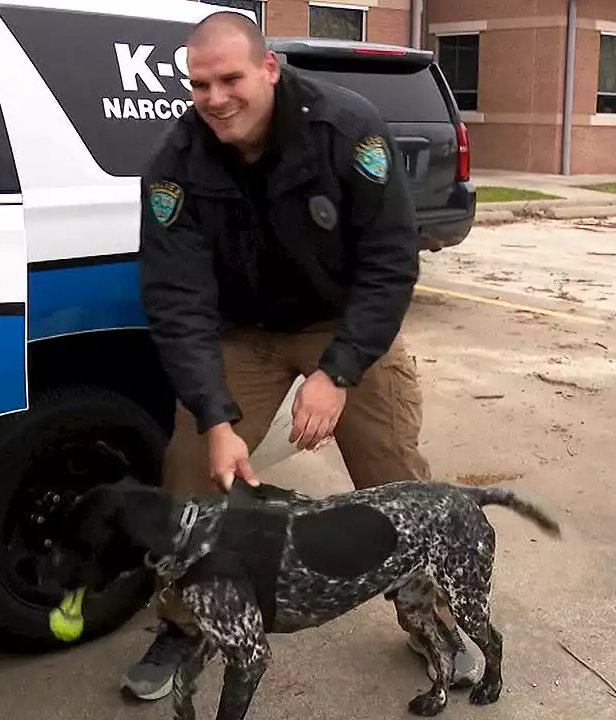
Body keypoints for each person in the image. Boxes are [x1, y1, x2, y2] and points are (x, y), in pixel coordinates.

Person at [123, 11, 480, 701]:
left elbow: (389, 261)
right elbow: (176, 300)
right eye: (199, 84)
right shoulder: (176, 165)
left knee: (398, 478)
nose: (215, 98)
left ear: (267, 68)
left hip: (341, 321)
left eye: (229, 78)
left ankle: (430, 618)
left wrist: (339, 372)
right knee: (193, 469)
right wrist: (216, 417)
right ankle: (184, 623)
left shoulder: (346, 128)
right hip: (243, 332)